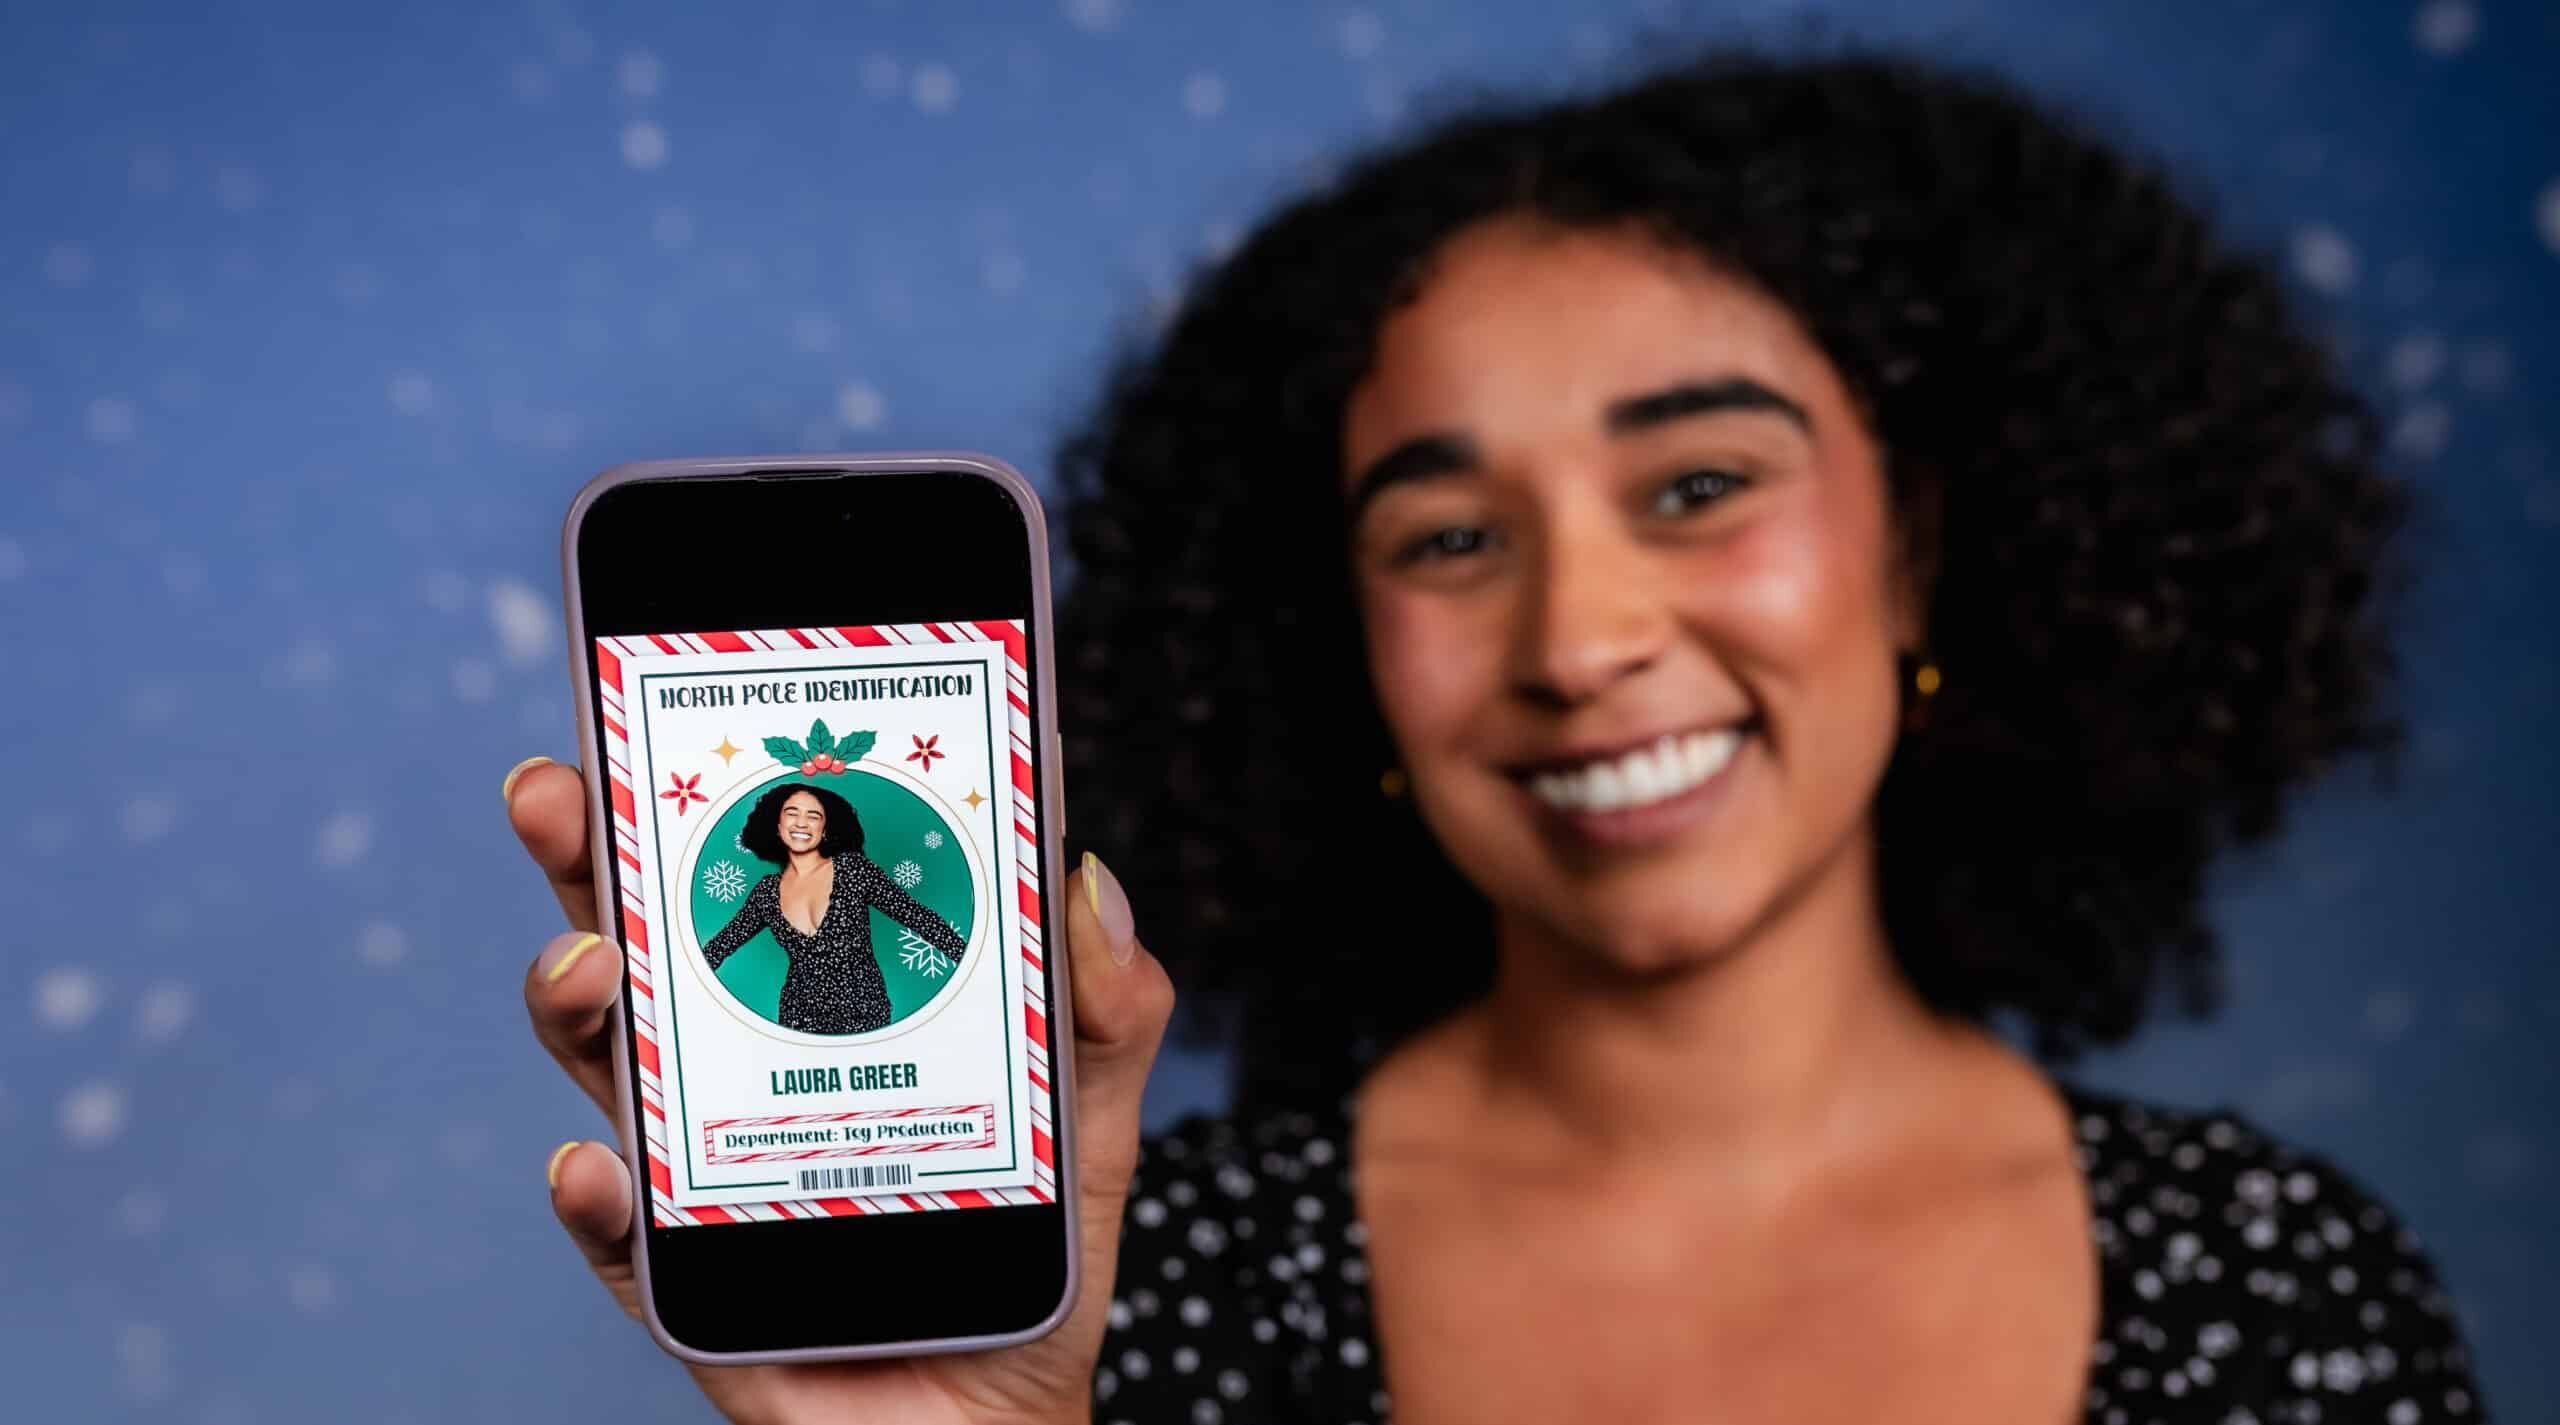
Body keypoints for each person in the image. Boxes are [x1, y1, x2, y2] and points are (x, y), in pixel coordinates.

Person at [504, 47, 2489, 1425]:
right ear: (1331, 651)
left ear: (1923, 551)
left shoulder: (2275, 1278)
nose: (1581, 637)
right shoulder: (1139, 1300)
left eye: (1698, 483)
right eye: (1447, 536)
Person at [696, 781, 968, 1035]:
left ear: (825, 829)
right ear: (776, 825)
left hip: (865, 1011)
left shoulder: (853, 870)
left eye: (813, 816)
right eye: (792, 813)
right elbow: (720, 946)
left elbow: (918, 917)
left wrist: (974, 967)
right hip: (798, 1019)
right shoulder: (766, 893)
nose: (801, 822)